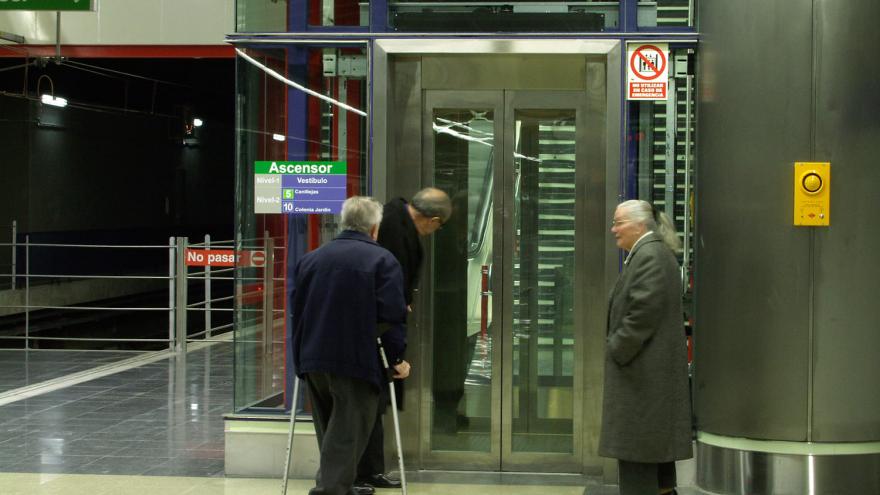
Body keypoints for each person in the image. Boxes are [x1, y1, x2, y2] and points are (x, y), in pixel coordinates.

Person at [291, 196, 411, 495]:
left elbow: (298, 312)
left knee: (331, 429)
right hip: (355, 359)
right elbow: (391, 316)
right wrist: (396, 358)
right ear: (374, 228)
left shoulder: (311, 259)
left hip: (314, 358)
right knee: (348, 431)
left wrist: (299, 360)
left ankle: (342, 483)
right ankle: (330, 490)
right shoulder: (382, 260)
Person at [355, 187, 452, 490]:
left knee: (377, 401)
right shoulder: (393, 228)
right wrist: (396, 353)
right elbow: (389, 294)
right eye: (438, 227)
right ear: (432, 220)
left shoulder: (395, 220)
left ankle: (370, 470)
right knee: (368, 402)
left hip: (380, 329)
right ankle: (360, 472)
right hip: (375, 332)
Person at [599, 199, 692, 495]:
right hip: (648, 378)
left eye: (618, 222)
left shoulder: (650, 255)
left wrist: (617, 348)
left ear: (640, 224)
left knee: (638, 461)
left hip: (643, 379)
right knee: (655, 462)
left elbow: (642, 313)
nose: (614, 230)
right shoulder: (649, 253)